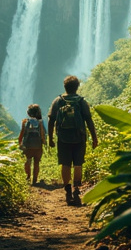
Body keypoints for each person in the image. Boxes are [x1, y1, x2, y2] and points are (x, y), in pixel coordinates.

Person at [48, 75, 98, 206]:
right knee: (78, 164)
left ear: (65, 86)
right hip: (79, 137)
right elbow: (89, 120)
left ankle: (67, 190)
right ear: (77, 87)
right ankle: (76, 190)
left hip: (63, 138)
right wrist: (94, 138)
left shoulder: (58, 101)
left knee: (65, 164)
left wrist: (50, 138)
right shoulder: (81, 102)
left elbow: (51, 119)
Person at [18, 104, 47, 185]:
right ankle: (34, 180)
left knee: (28, 160)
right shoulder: (40, 122)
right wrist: (44, 142)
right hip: (38, 146)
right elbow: (43, 134)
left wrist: (20, 144)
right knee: (36, 163)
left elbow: (21, 134)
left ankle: (28, 176)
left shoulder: (25, 122)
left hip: (27, 146)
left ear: (28, 113)